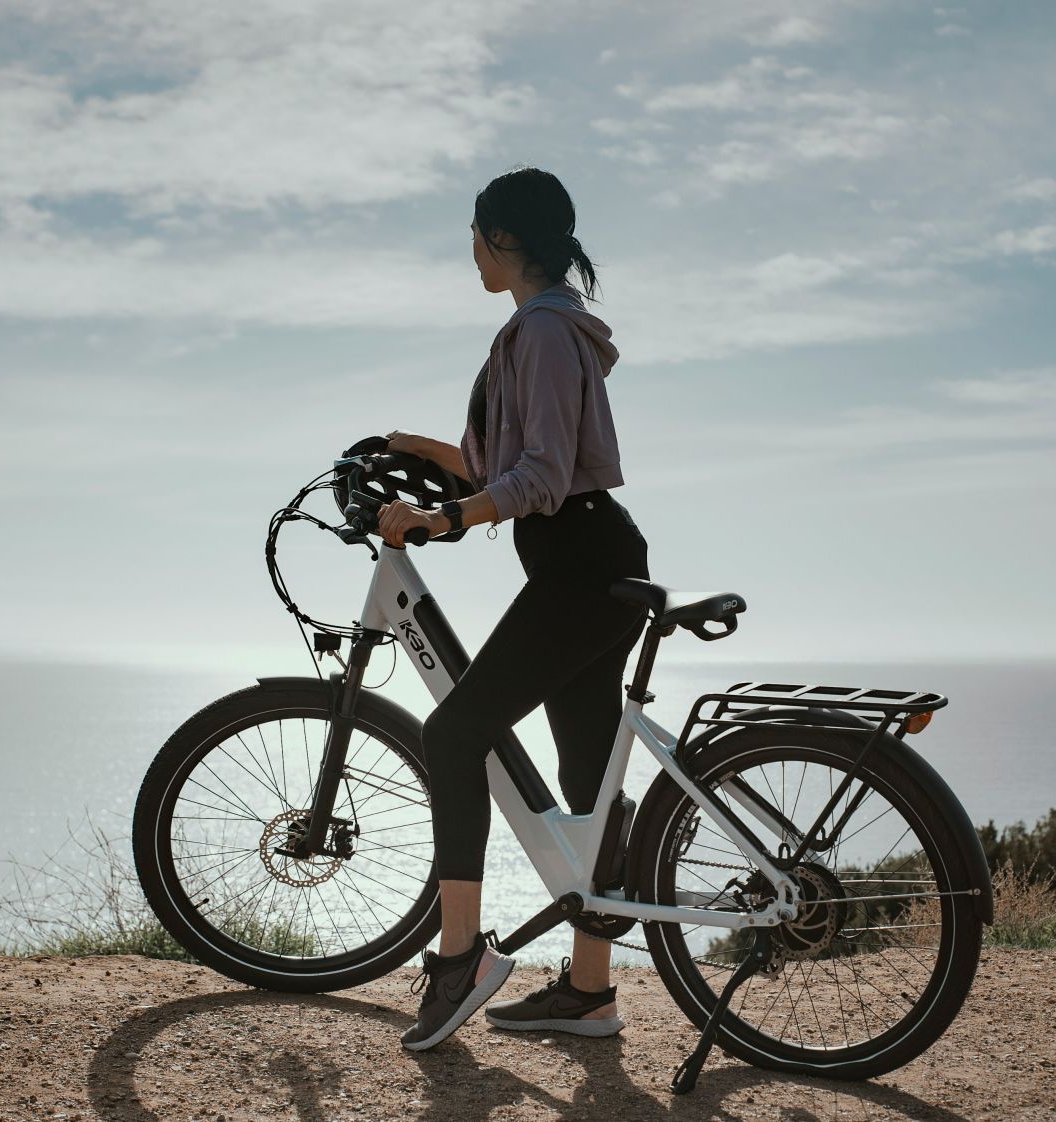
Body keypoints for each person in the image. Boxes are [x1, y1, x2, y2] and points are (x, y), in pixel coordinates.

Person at [375, 166, 650, 1052]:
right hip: (592, 557)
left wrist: (445, 517)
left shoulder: (540, 331)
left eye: (473, 235)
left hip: (579, 566)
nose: (470, 251)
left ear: (499, 238)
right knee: (585, 778)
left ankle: (459, 958)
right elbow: (498, 459)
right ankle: (589, 993)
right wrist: (402, 450)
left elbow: (535, 476)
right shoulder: (544, 328)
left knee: (453, 734)